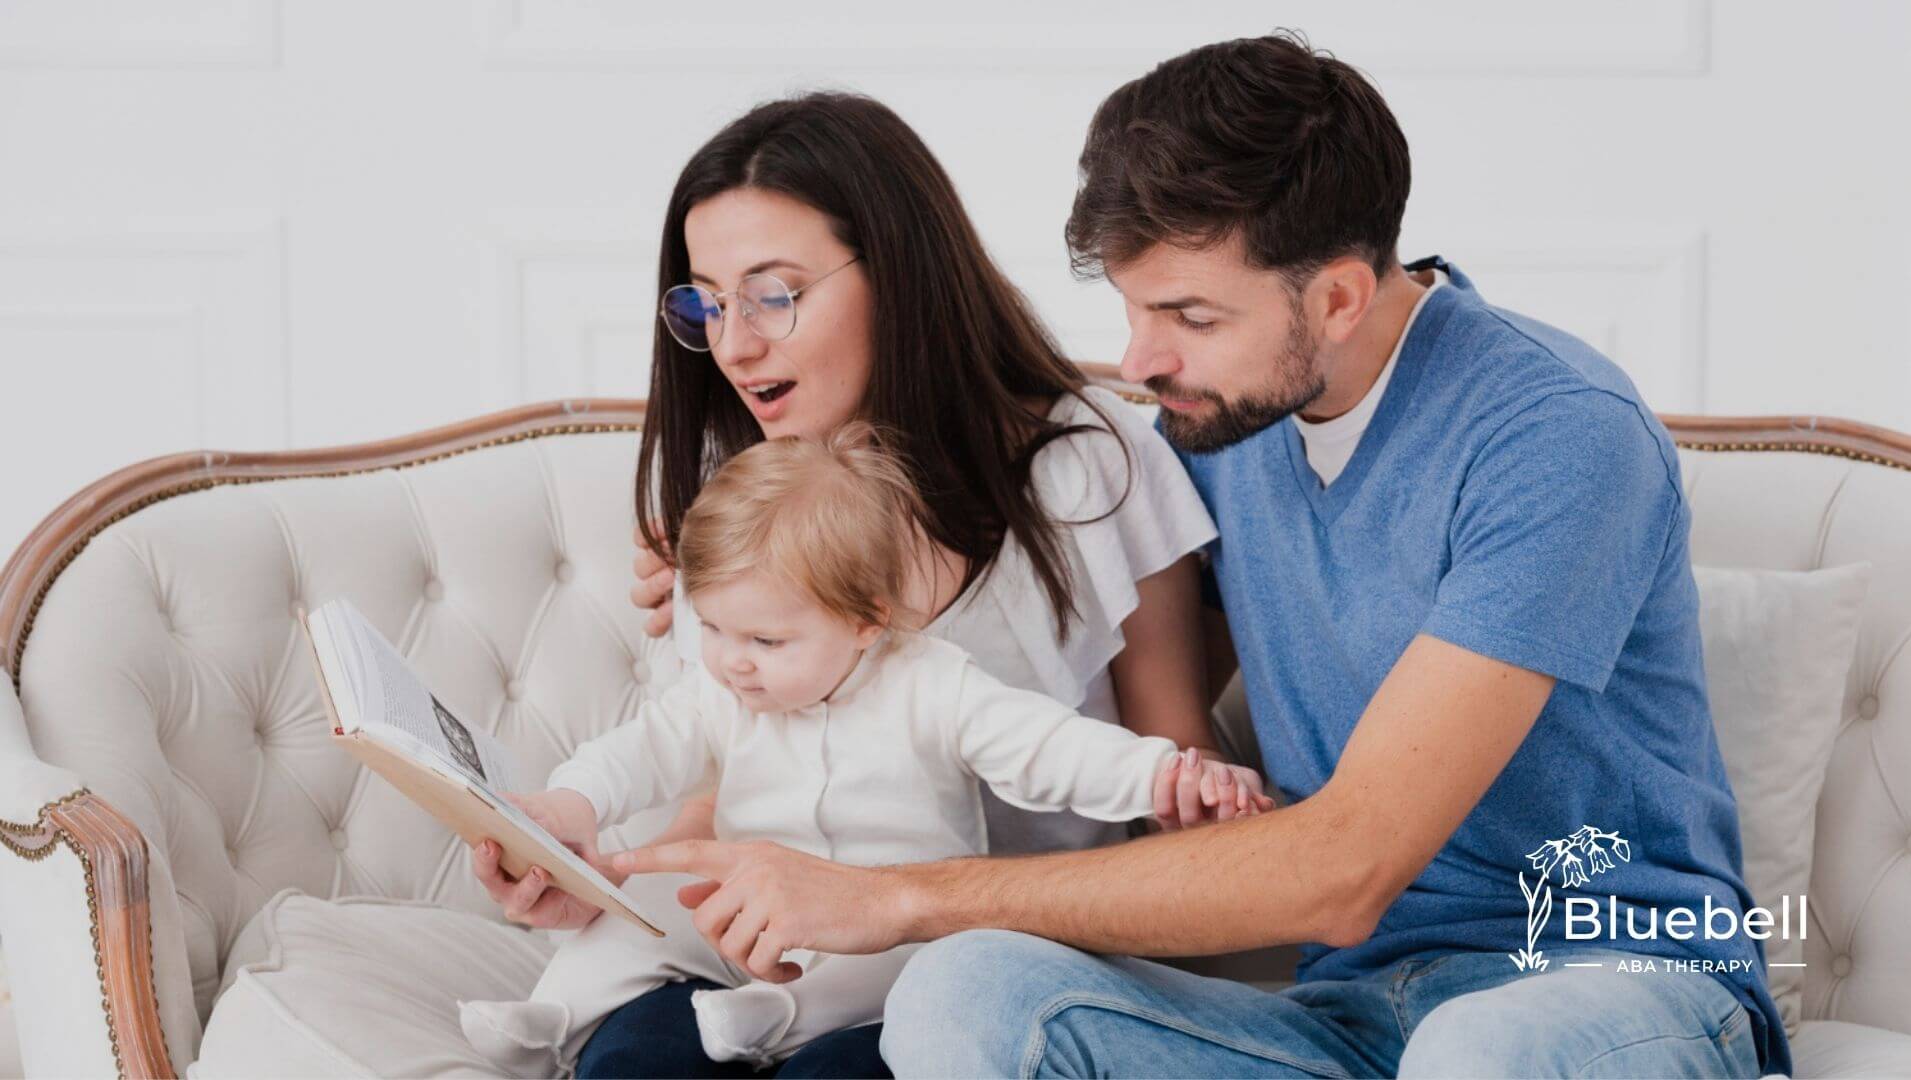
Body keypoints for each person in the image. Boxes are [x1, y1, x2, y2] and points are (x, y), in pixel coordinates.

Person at [611, 32, 1788, 1079]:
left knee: (1481, 1050)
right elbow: (1024, 510)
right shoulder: (1223, 425)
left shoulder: (1556, 435)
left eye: (1189, 317)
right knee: (966, 995)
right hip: (1347, 1016)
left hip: (1609, 987)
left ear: (1335, 297)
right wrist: (762, 569)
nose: (1141, 361)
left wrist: (896, 897)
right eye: (1131, 308)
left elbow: (1349, 865)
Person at [471, 91, 1248, 1078]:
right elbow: (723, 773)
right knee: (634, 1062)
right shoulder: (736, 483)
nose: (736, 344)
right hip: (758, 953)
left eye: (775, 294)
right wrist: (598, 875)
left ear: (899, 276)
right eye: (707, 302)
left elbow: (1173, 792)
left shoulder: (1086, 464)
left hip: (976, 965)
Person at [458, 426, 1268, 1076]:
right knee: (635, 919)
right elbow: (636, 750)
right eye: (713, 629)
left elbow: (1052, 750)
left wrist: (1165, 773)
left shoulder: (933, 686)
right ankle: (556, 1015)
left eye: (767, 639)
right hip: (745, 925)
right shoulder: (726, 692)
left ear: (865, 621)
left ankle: (774, 1023)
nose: (732, 660)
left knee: (903, 966)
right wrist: (572, 804)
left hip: (881, 937)